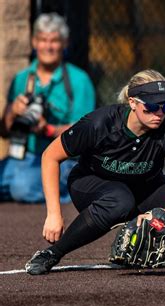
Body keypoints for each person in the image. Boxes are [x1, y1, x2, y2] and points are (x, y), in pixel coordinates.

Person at [24, 69, 165, 275]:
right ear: (132, 102)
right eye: (151, 106)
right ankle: (52, 253)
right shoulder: (100, 123)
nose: (159, 113)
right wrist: (53, 214)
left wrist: (162, 215)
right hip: (92, 182)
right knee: (120, 200)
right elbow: (50, 156)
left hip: (143, 186)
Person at [0, 12, 95, 203]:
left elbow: (87, 134)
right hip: (24, 157)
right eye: (43, 40)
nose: (48, 47)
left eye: (54, 41)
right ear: (34, 42)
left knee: (21, 188)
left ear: (64, 43)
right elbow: (3, 131)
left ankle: (76, 191)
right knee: (16, 182)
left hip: (63, 161)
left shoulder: (79, 80)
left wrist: (48, 129)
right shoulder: (22, 78)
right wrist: (13, 112)